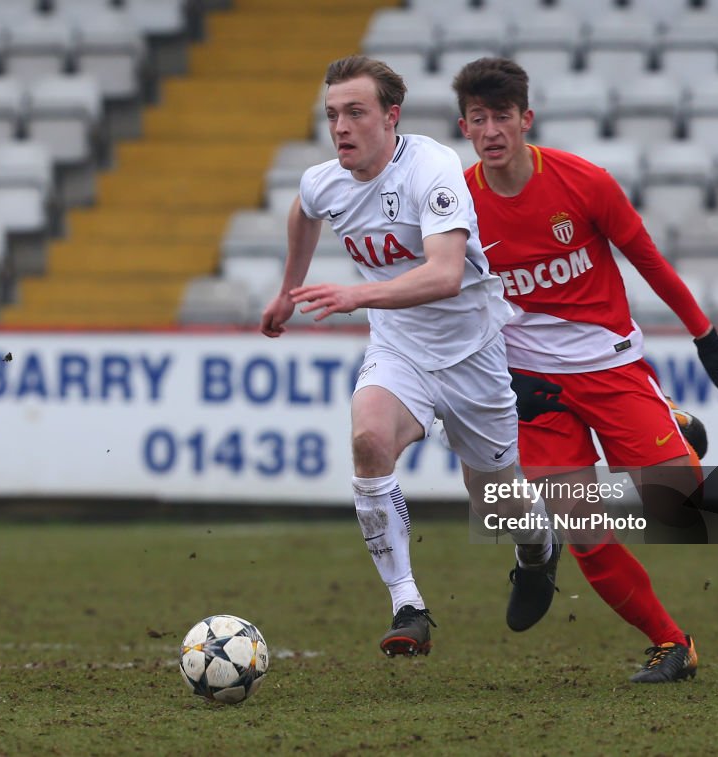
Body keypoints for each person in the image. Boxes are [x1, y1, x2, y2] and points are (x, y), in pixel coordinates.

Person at [452, 57, 718, 683]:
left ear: (525, 119)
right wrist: (498, 378)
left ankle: (670, 420)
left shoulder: (585, 182)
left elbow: (646, 257)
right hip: (533, 387)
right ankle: (672, 645)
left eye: (502, 116)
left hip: (609, 365)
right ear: (465, 126)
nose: (492, 130)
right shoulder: (459, 206)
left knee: (678, 505)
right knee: (585, 528)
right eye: (479, 119)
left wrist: (706, 335)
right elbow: (458, 301)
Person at [260, 55, 559, 657]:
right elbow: (303, 213)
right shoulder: (325, 180)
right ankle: (408, 606)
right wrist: (289, 291)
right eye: (332, 115)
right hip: (399, 349)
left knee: (495, 503)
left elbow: (446, 275)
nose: (341, 127)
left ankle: (540, 550)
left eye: (355, 113)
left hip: (471, 353)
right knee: (369, 441)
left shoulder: (432, 168)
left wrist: (355, 294)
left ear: (390, 116)